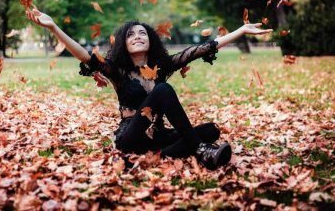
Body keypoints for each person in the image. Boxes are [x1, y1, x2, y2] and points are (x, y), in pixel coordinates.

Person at [26, 9, 272, 170]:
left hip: (158, 136)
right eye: (130, 34)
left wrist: (240, 31)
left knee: (211, 130)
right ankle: (199, 151)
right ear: (124, 43)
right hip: (130, 137)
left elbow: (203, 49)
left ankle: (162, 156)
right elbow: (84, 54)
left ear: (150, 40)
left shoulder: (162, 67)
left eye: (142, 33)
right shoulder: (117, 70)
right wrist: (53, 28)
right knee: (163, 90)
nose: (137, 36)